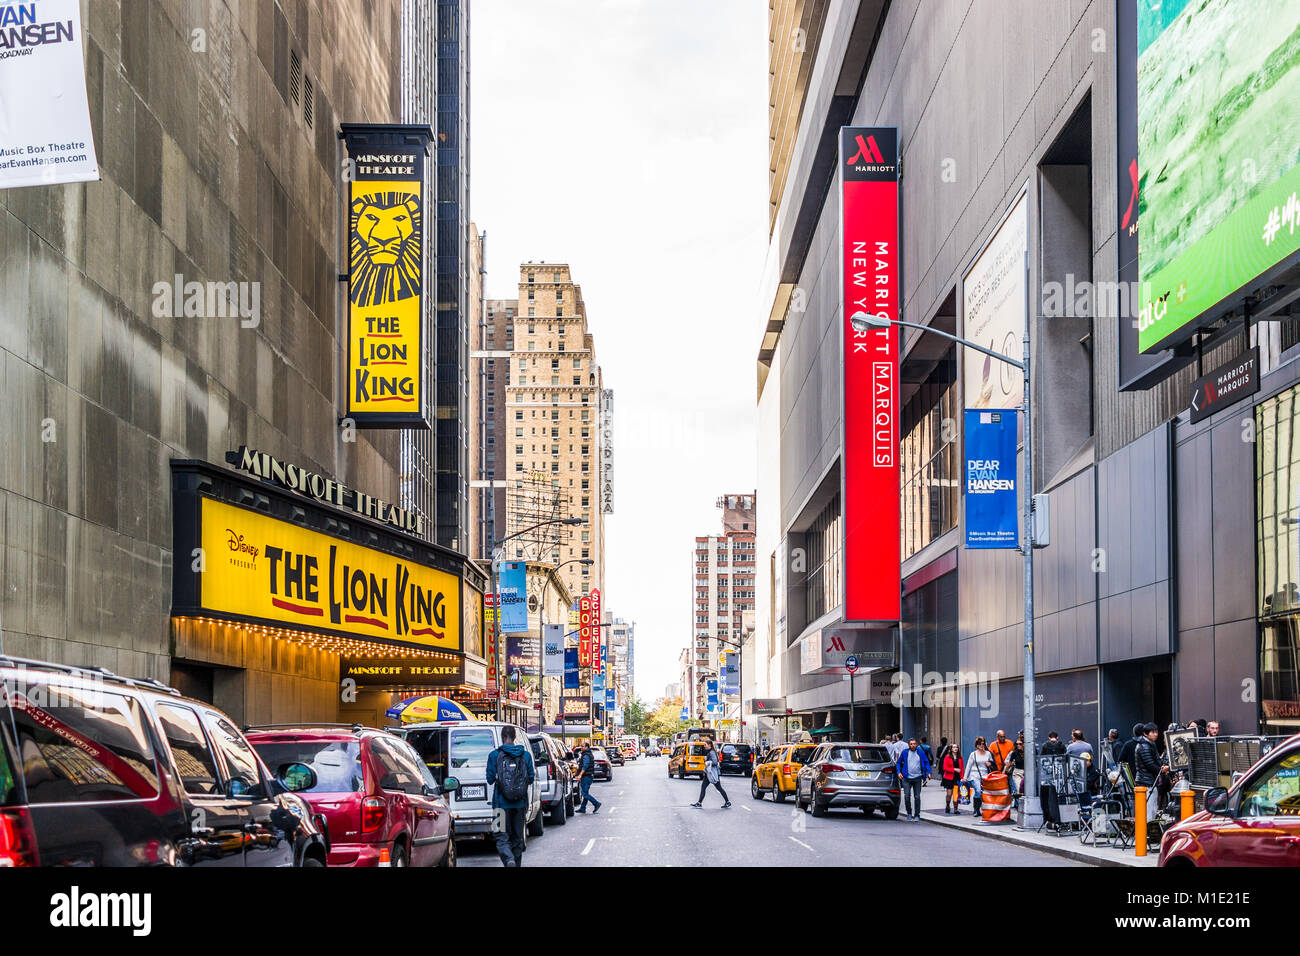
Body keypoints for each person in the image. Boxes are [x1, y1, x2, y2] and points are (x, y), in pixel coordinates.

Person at [485, 726, 536, 867]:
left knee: (500, 836)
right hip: (520, 805)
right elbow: (531, 778)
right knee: (517, 838)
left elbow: (489, 779)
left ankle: (508, 860)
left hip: (500, 805)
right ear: (515, 737)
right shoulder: (525, 755)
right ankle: (515, 863)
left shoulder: (494, 755)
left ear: (502, 737)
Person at [1133, 722, 1168, 821]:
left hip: (1149, 781)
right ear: (1145, 734)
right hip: (1146, 783)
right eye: (1152, 732)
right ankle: (1146, 833)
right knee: (1149, 810)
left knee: (1152, 809)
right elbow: (1149, 764)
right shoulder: (1144, 746)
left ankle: (1148, 832)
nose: (1156, 734)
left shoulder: (1149, 744)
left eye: (1156, 732)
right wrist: (1162, 769)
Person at [896, 738, 932, 821]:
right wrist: (899, 772)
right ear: (909, 745)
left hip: (917, 778)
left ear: (917, 744)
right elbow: (898, 763)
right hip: (906, 778)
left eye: (914, 743)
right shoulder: (905, 752)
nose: (913, 745)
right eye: (911, 744)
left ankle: (917, 815)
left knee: (917, 797)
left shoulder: (921, 752)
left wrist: (929, 772)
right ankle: (909, 813)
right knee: (907, 796)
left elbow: (926, 762)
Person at [691, 738, 731, 809]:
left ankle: (727, 802)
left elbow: (715, 762)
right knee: (703, 787)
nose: (704, 746)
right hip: (709, 773)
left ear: (709, 745)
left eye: (705, 745)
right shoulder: (710, 751)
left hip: (712, 773)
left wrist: (706, 761)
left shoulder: (712, 752)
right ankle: (699, 803)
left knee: (719, 788)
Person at [964, 736, 995, 816]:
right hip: (974, 775)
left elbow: (992, 763)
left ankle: (978, 808)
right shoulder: (973, 754)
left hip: (985, 775)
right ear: (977, 745)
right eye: (980, 744)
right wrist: (965, 777)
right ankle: (976, 809)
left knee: (982, 793)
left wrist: (990, 764)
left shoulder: (988, 753)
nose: (982, 745)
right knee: (977, 790)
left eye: (983, 744)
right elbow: (968, 766)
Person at [574, 741, 602, 814]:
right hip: (588, 776)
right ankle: (583, 808)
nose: (581, 747)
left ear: (586, 747)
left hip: (586, 776)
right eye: (581, 746)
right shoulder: (587, 754)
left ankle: (596, 803)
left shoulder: (586, 755)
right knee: (585, 792)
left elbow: (585, 766)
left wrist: (580, 775)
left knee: (584, 793)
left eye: (582, 746)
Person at [941, 742, 964, 814]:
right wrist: (954, 769)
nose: (955, 748)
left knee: (956, 794)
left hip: (957, 778)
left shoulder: (960, 758)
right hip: (948, 778)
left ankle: (955, 809)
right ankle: (947, 805)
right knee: (949, 794)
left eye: (956, 747)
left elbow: (962, 768)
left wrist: (963, 777)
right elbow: (945, 768)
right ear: (951, 749)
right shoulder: (947, 757)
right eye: (954, 747)